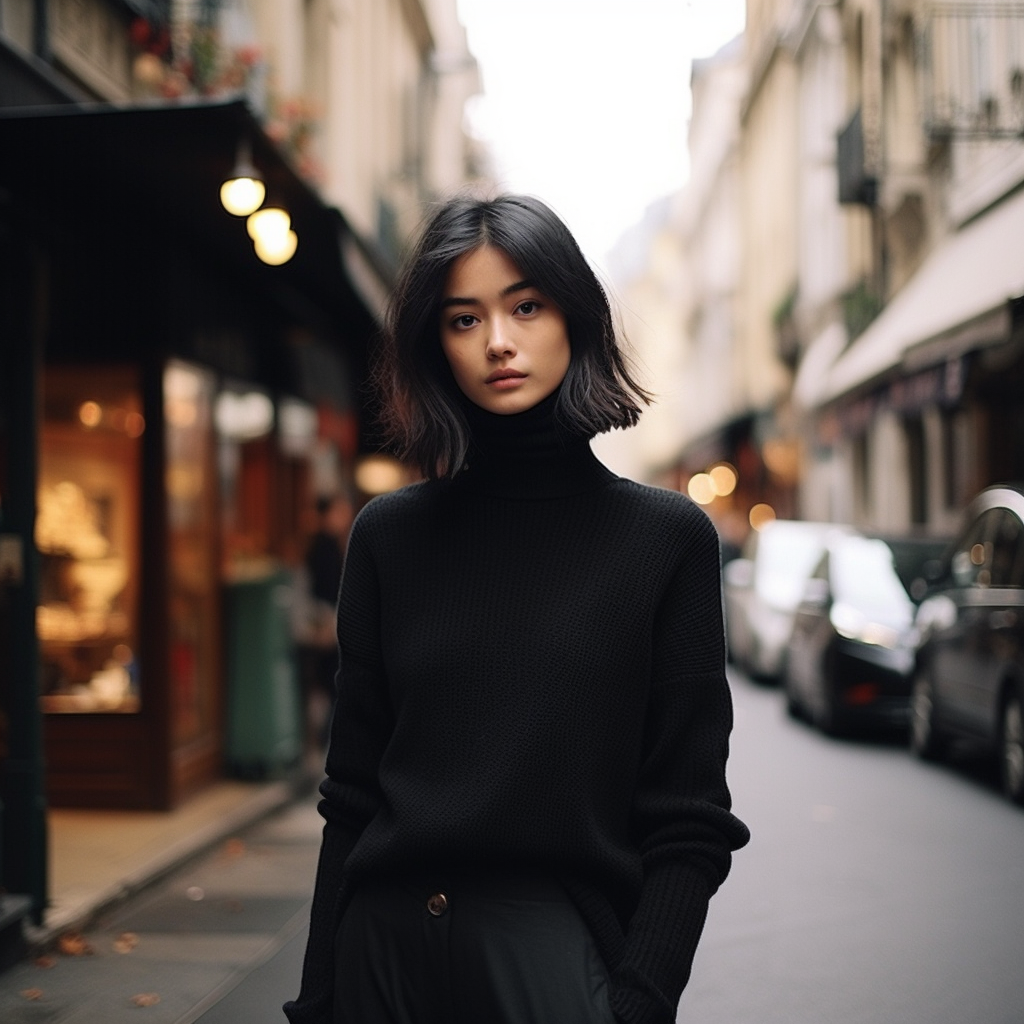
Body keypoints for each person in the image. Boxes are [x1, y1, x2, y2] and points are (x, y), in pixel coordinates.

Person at [284, 193, 749, 1024]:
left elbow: (689, 818)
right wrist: (319, 1002)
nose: (498, 341)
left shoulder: (664, 540)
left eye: (525, 306)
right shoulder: (388, 537)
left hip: (552, 958)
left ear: (574, 316)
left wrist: (637, 1004)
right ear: (438, 345)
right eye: (464, 320)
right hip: (381, 959)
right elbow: (351, 795)